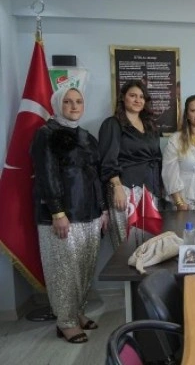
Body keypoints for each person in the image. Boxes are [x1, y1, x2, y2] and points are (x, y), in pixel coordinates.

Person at [30, 87, 108, 344]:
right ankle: (65, 322)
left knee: (85, 267)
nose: (74, 106)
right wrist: (57, 212)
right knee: (63, 270)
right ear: (57, 104)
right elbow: (46, 175)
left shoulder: (87, 137)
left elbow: (96, 175)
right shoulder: (46, 134)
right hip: (62, 215)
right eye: (67, 101)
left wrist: (103, 209)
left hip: (90, 213)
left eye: (78, 101)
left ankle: (77, 311)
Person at [99, 80, 163, 249]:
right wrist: (117, 187)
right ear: (123, 98)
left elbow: (157, 157)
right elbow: (108, 159)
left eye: (141, 97)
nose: (137, 100)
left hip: (150, 188)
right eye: (133, 95)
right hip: (125, 188)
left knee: (149, 243)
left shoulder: (150, 126)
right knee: (127, 244)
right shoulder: (112, 124)